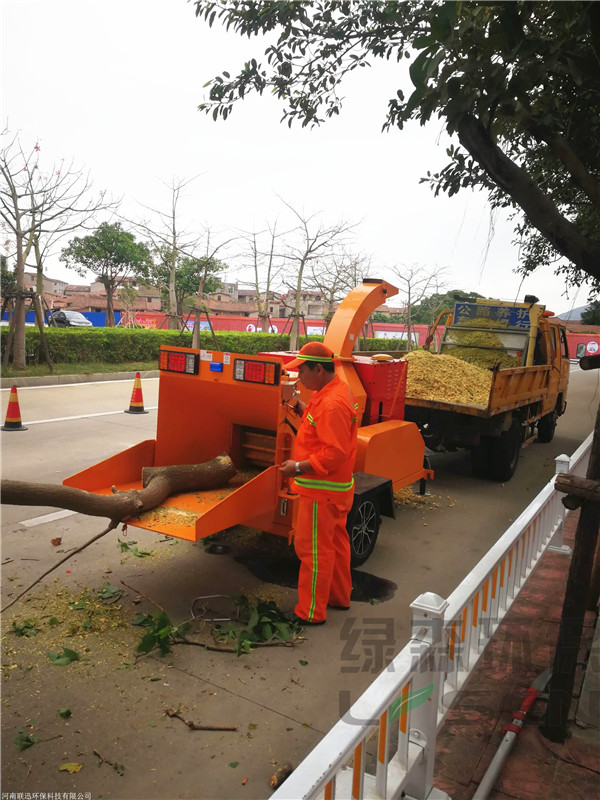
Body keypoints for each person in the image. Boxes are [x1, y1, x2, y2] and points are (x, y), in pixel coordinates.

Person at [280, 341, 358, 625]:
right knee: (335, 545)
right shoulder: (331, 391)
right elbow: (320, 426)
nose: (299, 376)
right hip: (335, 489)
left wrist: (297, 467)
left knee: (313, 550)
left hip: (321, 490)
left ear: (318, 370)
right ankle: (338, 597)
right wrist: (302, 409)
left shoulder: (332, 403)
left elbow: (334, 452)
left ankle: (310, 612)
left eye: (302, 371)